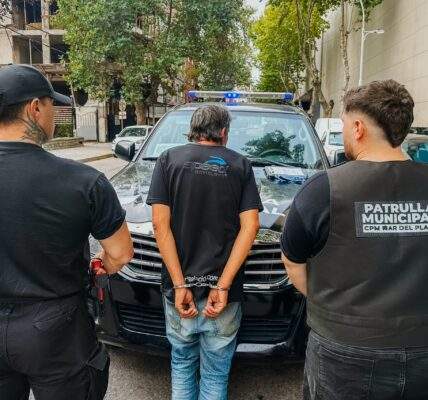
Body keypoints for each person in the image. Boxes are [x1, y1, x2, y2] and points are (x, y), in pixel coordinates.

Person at [281, 79, 428, 399]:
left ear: (358, 128)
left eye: (345, 124)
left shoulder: (323, 190)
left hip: (345, 356)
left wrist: (330, 305)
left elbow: (293, 262)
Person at [0, 64, 134, 400]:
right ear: (35, 108)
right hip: (55, 327)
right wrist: (100, 265)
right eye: (52, 105)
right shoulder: (83, 181)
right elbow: (120, 253)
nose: (55, 115)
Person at [147, 105, 262, 400]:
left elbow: (160, 226)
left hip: (180, 292)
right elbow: (251, 226)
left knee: (182, 363)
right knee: (215, 373)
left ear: (193, 130)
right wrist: (222, 286)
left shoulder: (168, 160)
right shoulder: (240, 165)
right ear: (223, 132)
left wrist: (179, 284)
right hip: (222, 296)